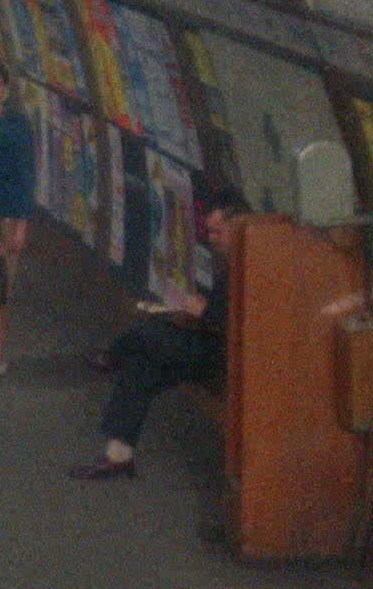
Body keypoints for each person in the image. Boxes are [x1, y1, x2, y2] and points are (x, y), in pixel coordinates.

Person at [68, 184, 250, 480]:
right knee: (143, 365)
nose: (211, 238)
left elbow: (232, 319)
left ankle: (113, 356)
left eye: (218, 232)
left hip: (221, 355)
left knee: (150, 331)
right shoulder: (235, 260)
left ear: (238, 226)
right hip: (211, 343)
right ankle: (118, 455)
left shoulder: (250, 264)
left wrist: (201, 310)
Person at [0, 61, 36, 378]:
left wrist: (22, 222)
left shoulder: (17, 125)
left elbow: (27, 173)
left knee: (2, 284)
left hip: (7, 211)